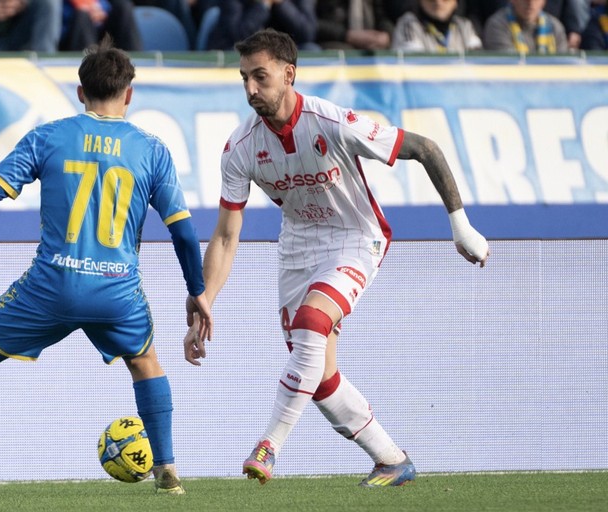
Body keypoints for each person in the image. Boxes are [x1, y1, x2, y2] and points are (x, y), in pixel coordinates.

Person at [0, 36, 213, 498]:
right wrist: (197, 290)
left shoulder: (49, 136)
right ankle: (167, 471)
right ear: (129, 94)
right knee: (145, 363)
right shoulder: (151, 150)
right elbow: (184, 233)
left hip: (51, 287)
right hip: (117, 291)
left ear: (80, 91)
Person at [183, 28, 489, 487]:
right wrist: (206, 297)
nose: (250, 89)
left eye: (260, 77)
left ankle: (268, 445)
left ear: (289, 74)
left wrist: (460, 225)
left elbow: (426, 149)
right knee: (318, 375)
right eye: (244, 78)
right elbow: (226, 236)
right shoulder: (240, 148)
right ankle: (392, 460)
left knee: (311, 323)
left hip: (355, 238)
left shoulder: (333, 122)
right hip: (297, 248)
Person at [207, 0, 318, 51]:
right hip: (246, 51)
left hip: (281, 51)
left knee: (311, 49)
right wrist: (263, 6)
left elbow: (307, 33)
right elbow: (238, 36)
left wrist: (282, 4)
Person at [391, 0, 483, 53]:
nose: (438, 2)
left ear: (456, 2)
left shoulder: (465, 26)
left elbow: (477, 62)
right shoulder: (408, 24)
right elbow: (415, 65)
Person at [483, 0, 569, 54]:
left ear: (544, 1)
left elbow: (561, 63)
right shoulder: (497, 25)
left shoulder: (555, 27)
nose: (530, 3)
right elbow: (507, 63)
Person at [59, 0, 142, 52]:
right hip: (70, 30)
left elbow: (104, 5)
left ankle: (135, 63)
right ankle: (87, 68)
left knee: (124, 7)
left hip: (100, 23)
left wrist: (102, 9)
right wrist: (87, 7)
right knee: (82, 16)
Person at [314, 0, 393, 51]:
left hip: (371, 43)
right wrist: (346, 35)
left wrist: (386, 36)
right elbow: (313, 24)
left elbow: (383, 17)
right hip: (337, 41)